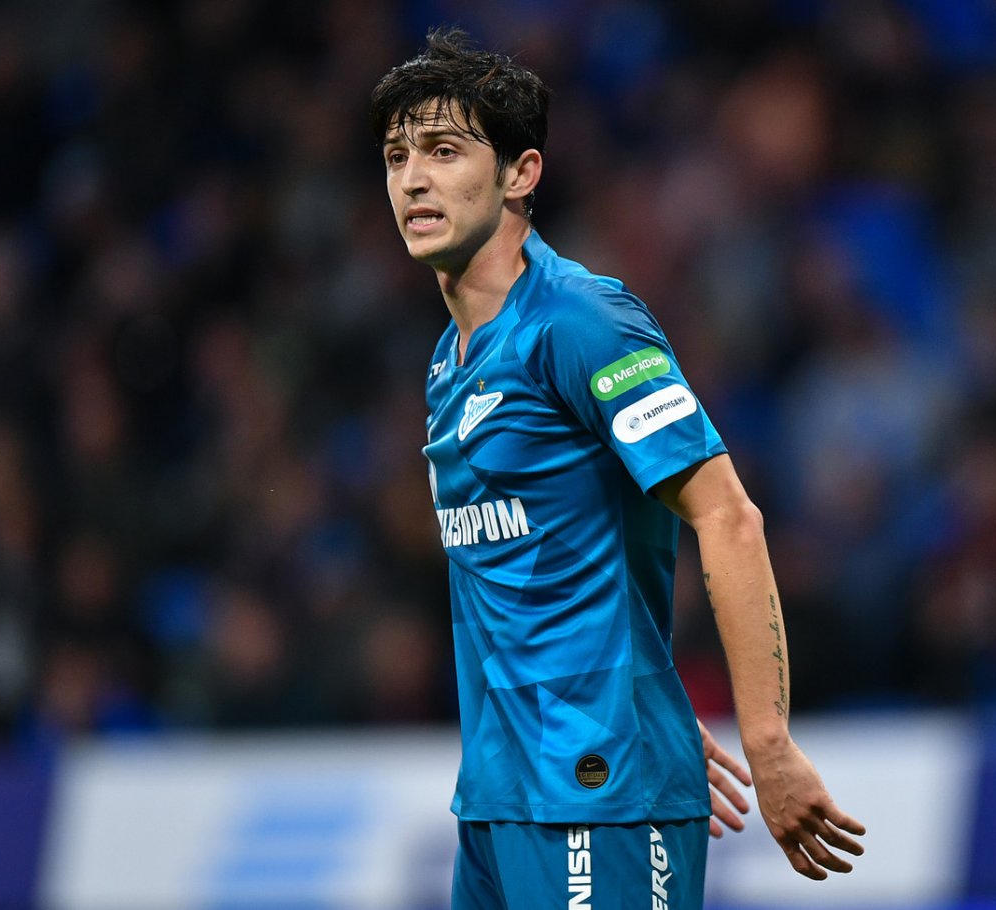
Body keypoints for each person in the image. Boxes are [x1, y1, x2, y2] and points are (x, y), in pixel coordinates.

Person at [369, 28, 865, 909]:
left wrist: (767, 741)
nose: (413, 179)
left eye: (444, 151)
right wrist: (649, 701)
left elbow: (727, 515)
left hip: (595, 793)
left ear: (521, 173)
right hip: (498, 798)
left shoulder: (582, 323)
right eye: (397, 156)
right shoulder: (451, 359)